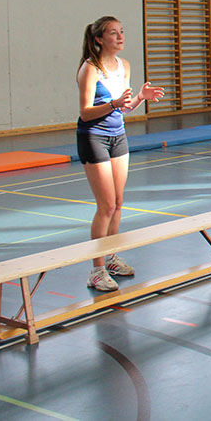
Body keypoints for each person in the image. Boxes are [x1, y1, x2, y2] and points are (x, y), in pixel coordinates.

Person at [77, 16, 165, 291]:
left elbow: (124, 107)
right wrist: (113, 104)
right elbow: (85, 112)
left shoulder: (124, 65)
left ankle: (111, 257)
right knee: (105, 206)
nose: (120, 37)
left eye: (121, 32)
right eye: (113, 33)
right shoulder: (90, 69)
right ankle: (96, 270)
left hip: (118, 135)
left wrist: (140, 98)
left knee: (117, 202)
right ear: (99, 39)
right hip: (94, 137)